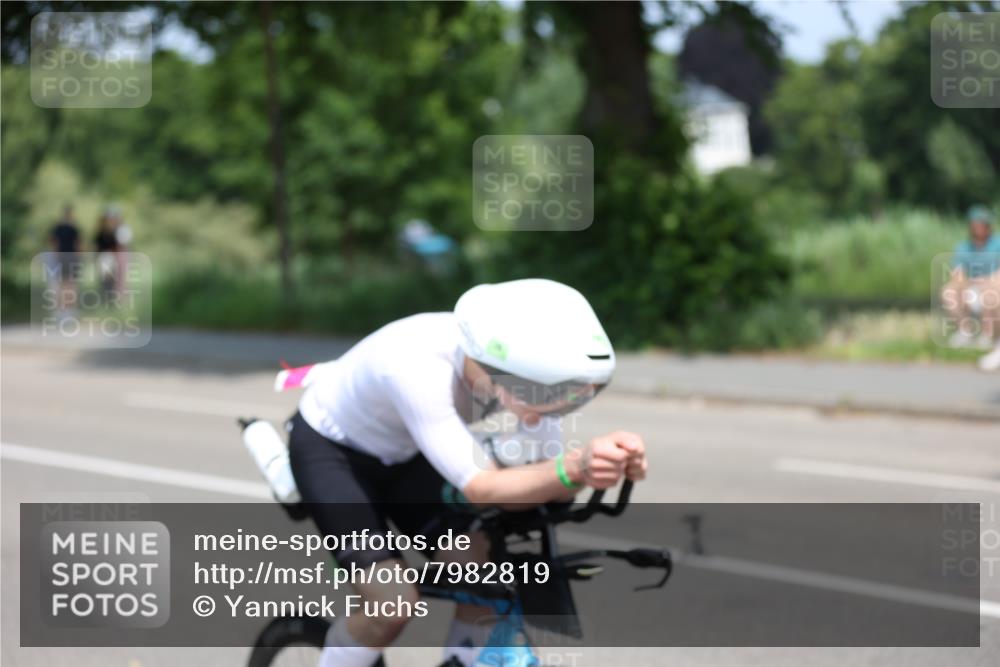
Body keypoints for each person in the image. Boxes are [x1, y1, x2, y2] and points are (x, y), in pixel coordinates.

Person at [289, 279, 647, 667]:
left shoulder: (518, 375)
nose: (536, 413)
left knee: (479, 565)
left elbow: (551, 479)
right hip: (334, 453)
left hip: (407, 452)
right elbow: (484, 487)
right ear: (493, 367)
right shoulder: (414, 364)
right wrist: (574, 467)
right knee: (391, 604)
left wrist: (602, 467)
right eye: (536, 397)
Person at [941, 205, 1000, 356]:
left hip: (994, 286)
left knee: (990, 288)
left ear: (987, 227)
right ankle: (965, 332)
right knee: (949, 290)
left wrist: (987, 280)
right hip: (972, 286)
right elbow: (958, 273)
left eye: (981, 225)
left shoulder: (997, 244)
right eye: (974, 225)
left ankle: (988, 335)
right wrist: (965, 283)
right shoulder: (963, 247)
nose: (977, 229)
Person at [48, 204, 81, 317]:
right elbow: (77, 245)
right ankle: (67, 309)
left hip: (63, 256)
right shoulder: (72, 228)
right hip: (68, 257)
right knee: (68, 283)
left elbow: (54, 243)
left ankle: (64, 309)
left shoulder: (60, 227)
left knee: (65, 283)